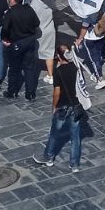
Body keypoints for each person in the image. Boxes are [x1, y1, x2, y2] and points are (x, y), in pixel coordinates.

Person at [34, 43, 86, 172]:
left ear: (58, 56)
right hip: (75, 106)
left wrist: (54, 107)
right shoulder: (76, 68)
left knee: (54, 133)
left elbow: (57, 92)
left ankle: (49, 156)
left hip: (62, 106)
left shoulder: (58, 71)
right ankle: (74, 165)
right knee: (75, 137)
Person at [1, 0, 41, 99]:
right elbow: (37, 23)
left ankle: (12, 91)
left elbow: (5, 28)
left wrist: (6, 39)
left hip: (17, 43)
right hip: (30, 41)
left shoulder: (11, 12)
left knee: (14, 69)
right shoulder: (28, 9)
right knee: (29, 68)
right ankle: (30, 93)